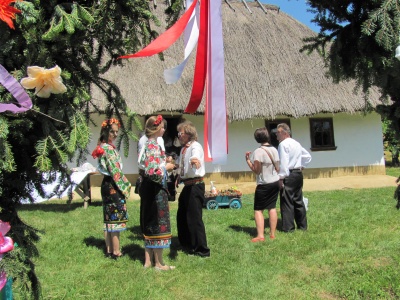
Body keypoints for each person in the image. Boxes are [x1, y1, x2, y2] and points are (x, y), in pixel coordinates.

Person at [138, 115, 176, 270]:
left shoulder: (148, 143)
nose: (164, 129)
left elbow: (147, 166)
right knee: (158, 222)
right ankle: (159, 263)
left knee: (150, 221)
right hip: (155, 189)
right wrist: (166, 168)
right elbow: (153, 172)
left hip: (148, 187)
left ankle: (150, 261)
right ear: (156, 128)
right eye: (162, 127)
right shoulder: (153, 145)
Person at [91, 118, 131, 259]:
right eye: (112, 132)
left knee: (108, 218)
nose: (114, 134)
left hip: (106, 184)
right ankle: (116, 251)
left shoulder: (103, 147)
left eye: (116, 132)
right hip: (113, 184)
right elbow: (115, 171)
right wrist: (125, 186)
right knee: (115, 219)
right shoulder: (107, 149)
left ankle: (109, 249)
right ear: (105, 131)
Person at [176, 121, 210, 257]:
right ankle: (187, 243)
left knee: (194, 218)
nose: (179, 135)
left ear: (189, 134)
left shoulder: (195, 146)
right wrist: (179, 176)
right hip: (188, 185)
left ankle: (202, 249)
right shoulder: (183, 148)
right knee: (182, 215)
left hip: (196, 185)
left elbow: (195, 156)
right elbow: (183, 166)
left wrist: (195, 160)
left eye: (181, 133)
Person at [245, 127, 280, 242]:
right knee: (272, 207)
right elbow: (278, 167)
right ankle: (272, 233)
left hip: (264, 184)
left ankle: (260, 235)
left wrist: (248, 161)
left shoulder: (258, 152)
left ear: (257, 138)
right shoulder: (275, 149)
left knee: (258, 210)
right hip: (275, 182)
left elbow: (257, 171)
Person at [276, 123, 312, 232]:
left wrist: (281, 178)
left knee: (287, 201)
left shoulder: (283, 145)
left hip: (289, 175)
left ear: (284, 133)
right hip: (298, 174)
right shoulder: (296, 143)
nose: (276, 135)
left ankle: (288, 228)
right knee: (298, 200)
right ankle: (302, 226)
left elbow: (283, 162)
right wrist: (302, 166)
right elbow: (307, 156)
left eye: (278, 133)